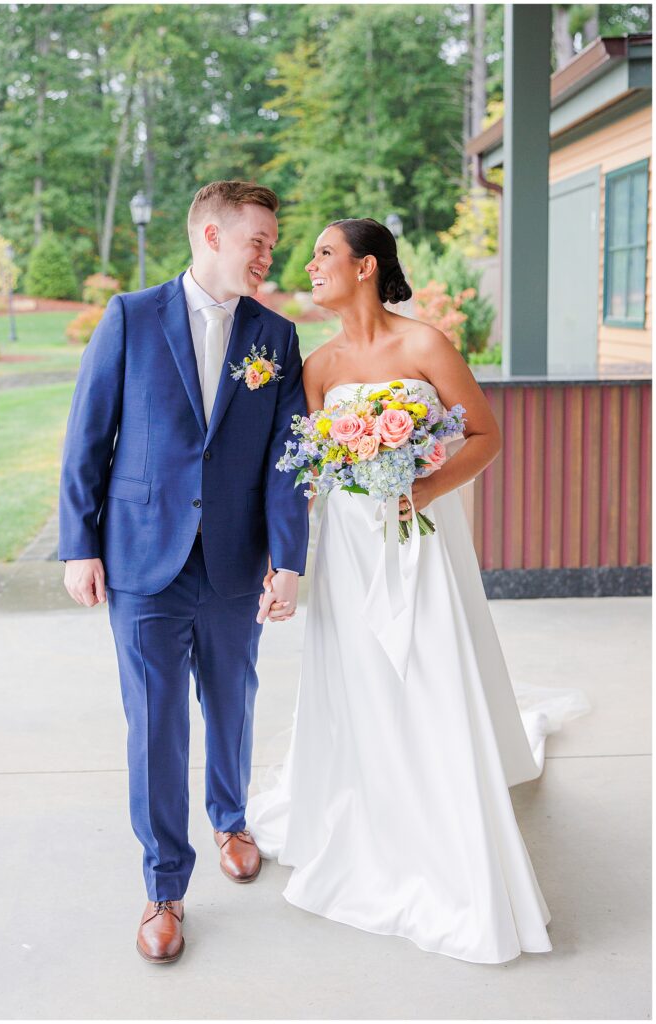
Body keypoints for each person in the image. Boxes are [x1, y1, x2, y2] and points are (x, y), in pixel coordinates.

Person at [247, 217, 590, 964]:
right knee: (360, 675)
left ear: (366, 267)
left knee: (428, 672)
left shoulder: (425, 344)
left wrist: (422, 488)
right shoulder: (318, 365)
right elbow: (307, 474)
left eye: (324, 255)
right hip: (347, 546)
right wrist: (283, 562)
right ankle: (368, 807)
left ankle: (444, 822)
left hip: (417, 537)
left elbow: (484, 436)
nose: (310, 266)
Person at [58, 180, 308, 963]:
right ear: (209, 234)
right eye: (257, 240)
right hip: (141, 559)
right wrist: (79, 545)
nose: (268, 254)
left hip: (234, 562)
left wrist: (289, 560)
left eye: (272, 241)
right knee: (156, 725)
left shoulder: (275, 336)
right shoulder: (131, 317)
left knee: (231, 703)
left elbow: (283, 461)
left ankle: (230, 818)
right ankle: (164, 886)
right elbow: (87, 435)